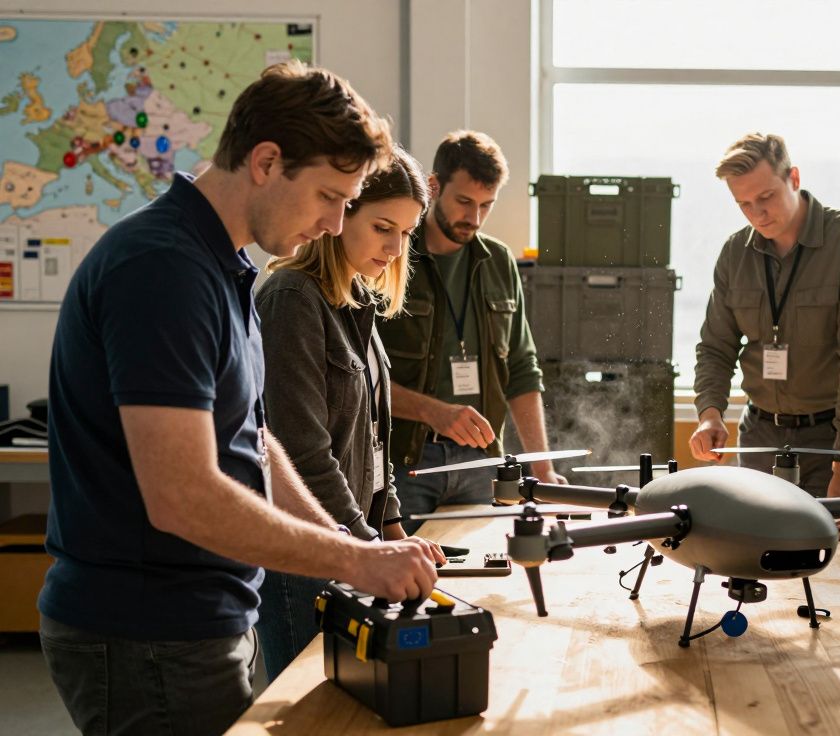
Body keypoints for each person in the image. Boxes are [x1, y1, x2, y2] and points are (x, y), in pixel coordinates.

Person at [37, 62, 439, 736]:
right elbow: (181, 495)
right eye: (329, 196)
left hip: (197, 621)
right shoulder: (164, 269)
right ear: (266, 161)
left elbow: (252, 438)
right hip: (145, 632)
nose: (334, 222)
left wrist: (348, 544)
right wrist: (354, 560)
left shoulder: (221, 266)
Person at [254, 145, 446, 679]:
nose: (396, 247)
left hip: (353, 545)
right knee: (307, 699)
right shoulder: (293, 298)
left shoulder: (356, 300)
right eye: (383, 227)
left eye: (406, 233)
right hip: (307, 555)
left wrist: (393, 530)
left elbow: (374, 440)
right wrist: (368, 551)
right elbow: (303, 454)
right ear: (341, 215)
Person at [690, 132, 840, 505]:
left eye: (766, 197)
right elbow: (716, 347)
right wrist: (710, 414)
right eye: (744, 204)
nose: (757, 213)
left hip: (833, 439)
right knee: (753, 541)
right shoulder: (735, 254)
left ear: (793, 178)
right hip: (760, 437)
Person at [382, 130, 565, 533]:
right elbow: (362, 378)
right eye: (464, 202)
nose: (475, 218)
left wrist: (543, 471)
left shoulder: (498, 261)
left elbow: (522, 370)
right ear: (433, 186)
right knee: (408, 568)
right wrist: (433, 411)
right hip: (406, 463)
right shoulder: (390, 256)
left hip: (482, 462)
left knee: (481, 568)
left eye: (486, 205)